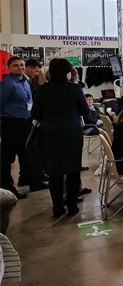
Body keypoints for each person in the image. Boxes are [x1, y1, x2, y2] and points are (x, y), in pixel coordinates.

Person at [31, 58, 90, 218]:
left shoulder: (42, 90)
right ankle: (72, 205)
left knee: (54, 171)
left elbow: (35, 114)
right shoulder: (75, 88)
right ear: (67, 72)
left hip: (50, 133)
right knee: (73, 170)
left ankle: (57, 207)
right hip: (72, 133)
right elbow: (85, 111)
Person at [0, 57, 36, 198]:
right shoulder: (7, 83)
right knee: (7, 157)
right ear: (9, 67)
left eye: (22, 65)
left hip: (25, 121)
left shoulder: (25, 81)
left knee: (25, 153)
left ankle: (26, 178)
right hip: (11, 123)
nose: (20, 67)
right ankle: (7, 188)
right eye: (16, 65)